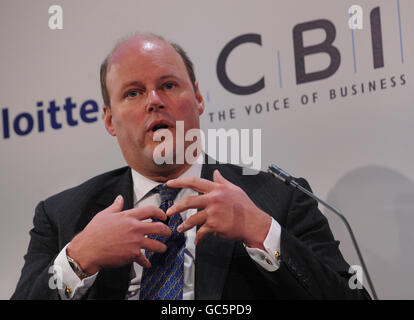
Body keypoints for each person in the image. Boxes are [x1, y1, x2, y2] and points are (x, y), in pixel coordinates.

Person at [12, 33, 370, 300]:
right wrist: (78, 259)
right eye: (133, 93)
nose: (154, 101)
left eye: (168, 85)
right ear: (109, 119)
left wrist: (262, 232)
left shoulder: (279, 199)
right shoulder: (62, 216)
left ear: (198, 98)